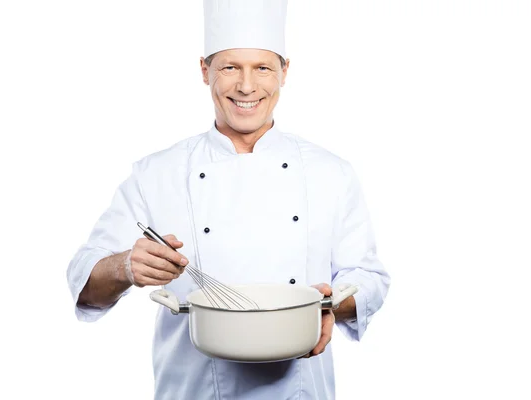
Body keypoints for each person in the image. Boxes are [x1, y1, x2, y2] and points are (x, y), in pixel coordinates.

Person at [67, 1, 391, 398]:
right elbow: (84, 280)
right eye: (230, 67)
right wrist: (124, 267)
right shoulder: (156, 173)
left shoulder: (331, 173)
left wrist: (327, 305)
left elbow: (369, 279)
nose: (247, 86)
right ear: (204, 70)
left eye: (263, 68)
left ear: (285, 72)